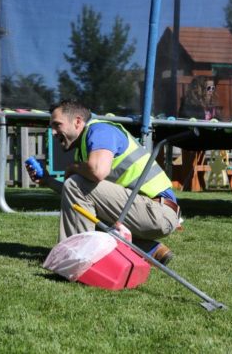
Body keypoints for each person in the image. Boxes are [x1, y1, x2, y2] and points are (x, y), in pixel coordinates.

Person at [27, 100, 180, 265]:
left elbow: (97, 171)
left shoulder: (100, 130)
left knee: (76, 183)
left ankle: (73, 259)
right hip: (146, 211)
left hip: (157, 212)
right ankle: (149, 249)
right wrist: (48, 180)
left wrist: (72, 168)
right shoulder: (85, 148)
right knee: (81, 199)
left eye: (57, 125)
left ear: (77, 122)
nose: (54, 132)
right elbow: (78, 195)